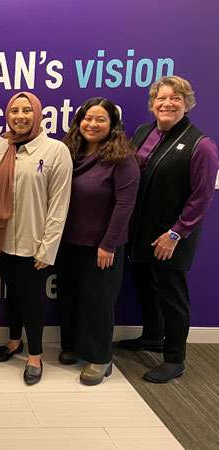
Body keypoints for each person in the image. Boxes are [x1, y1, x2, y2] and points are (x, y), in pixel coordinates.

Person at [118, 76, 219, 383]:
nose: (167, 103)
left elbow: (201, 197)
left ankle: (175, 358)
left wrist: (177, 233)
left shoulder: (202, 145)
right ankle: (152, 336)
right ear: (153, 104)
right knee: (145, 284)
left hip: (172, 236)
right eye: (161, 98)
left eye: (175, 98)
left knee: (171, 295)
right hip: (141, 230)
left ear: (186, 103)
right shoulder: (143, 132)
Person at [0, 91, 72, 386]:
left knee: (32, 299)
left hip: (34, 244)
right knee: (12, 294)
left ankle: (35, 355)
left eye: (26, 110)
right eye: (14, 110)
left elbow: (59, 204)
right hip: (0, 241)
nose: (20, 116)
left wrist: (48, 248)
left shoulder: (56, 150)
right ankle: (14, 340)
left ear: (37, 114)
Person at [58, 97, 139, 385]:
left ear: (113, 124)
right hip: (68, 242)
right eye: (87, 119)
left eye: (100, 119)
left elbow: (125, 205)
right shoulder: (69, 153)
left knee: (98, 302)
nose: (92, 124)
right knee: (71, 297)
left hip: (102, 246)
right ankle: (76, 348)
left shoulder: (122, 158)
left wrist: (109, 244)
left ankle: (101, 358)